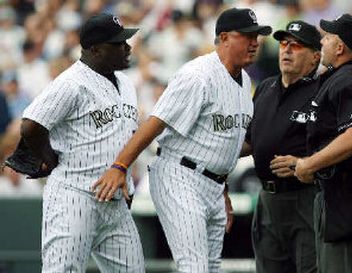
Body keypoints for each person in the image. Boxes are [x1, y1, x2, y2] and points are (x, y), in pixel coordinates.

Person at [93, 7, 272, 273]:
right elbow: (154, 124)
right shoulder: (197, 76)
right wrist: (120, 166)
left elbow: (221, 141)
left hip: (211, 183)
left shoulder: (245, 80)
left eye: (257, 36)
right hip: (180, 175)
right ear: (224, 38)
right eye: (247, 36)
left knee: (210, 268)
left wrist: (220, 183)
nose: (255, 42)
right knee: (194, 268)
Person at [20, 14, 145, 273]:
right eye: (119, 43)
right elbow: (31, 125)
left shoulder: (126, 83)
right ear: (95, 49)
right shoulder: (71, 82)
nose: (128, 47)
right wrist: (48, 157)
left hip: (115, 203)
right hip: (74, 196)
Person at [294, 14, 352, 273]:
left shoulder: (348, 79)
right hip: (341, 192)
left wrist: (309, 164)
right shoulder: (342, 77)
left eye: (327, 37)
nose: (322, 42)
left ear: (340, 47)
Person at [241, 20, 321, 273]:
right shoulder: (265, 87)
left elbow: (338, 145)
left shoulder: (323, 90)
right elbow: (250, 141)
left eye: (296, 46)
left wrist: (304, 163)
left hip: (306, 197)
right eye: (284, 44)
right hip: (268, 198)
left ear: (315, 57)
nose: (286, 50)